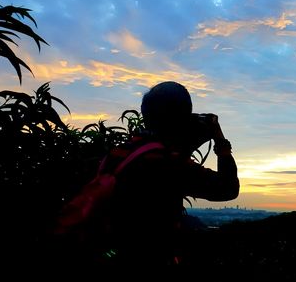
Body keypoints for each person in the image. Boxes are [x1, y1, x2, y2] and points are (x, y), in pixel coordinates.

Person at [97, 81, 239, 268]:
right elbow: (227, 188)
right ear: (183, 118)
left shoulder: (117, 154)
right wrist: (220, 140)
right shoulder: (167, 163)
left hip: (110, 258)